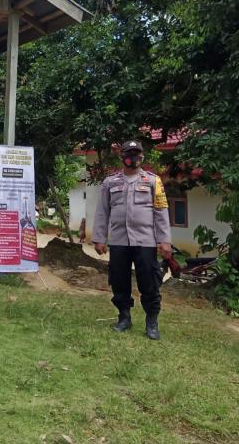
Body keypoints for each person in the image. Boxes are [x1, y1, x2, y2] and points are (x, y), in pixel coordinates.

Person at [92, 140, 172, 340]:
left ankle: (151, 321)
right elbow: (102, 211)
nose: (133, 157)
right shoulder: (110, 182)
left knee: (149, 282)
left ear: (142, 156)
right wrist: (99, 238)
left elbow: (161, 211)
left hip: (145, 241)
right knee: (119, 280)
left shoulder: (153, 181)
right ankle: (124, 317)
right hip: (119, 240)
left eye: (137, 153)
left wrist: (164, 240)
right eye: (130, 153)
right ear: (122, 156)